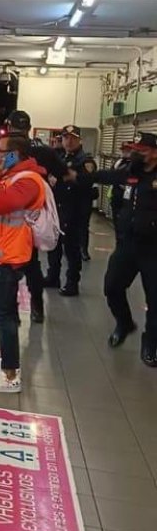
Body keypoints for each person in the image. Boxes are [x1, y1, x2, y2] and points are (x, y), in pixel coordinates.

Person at [0, 133, 47, 393]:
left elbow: (1, 203)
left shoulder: (28, 181)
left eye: (1, 151)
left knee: (1, 314)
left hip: (6, 257)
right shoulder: (11, 175)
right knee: (6, 312)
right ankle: (7, 360)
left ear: (15, 154)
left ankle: (9, 376)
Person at [0, 110, 68, 322]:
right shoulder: (43, 151)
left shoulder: (7, 151)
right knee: (32, 264)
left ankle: (8, 310)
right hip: (33, 219)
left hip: (8, 221)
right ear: (28, 127)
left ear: (9, 127)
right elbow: (66, 173)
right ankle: (37, 306)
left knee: (7, 267)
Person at [89, 132, 157, 365]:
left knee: (155, 299)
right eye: (134, 149)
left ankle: (151, 343)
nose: (136, 154)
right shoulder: (131, 172)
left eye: (142, 150)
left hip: (153, 249)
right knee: (112, 287)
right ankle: (124, 322)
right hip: (127, 244)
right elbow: (107, 176)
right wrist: (78, 175)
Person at [44, 124, 95, 296]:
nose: (68, 141)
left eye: (72, 138)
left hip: (74, 211)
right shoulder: (60, 156)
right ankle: (53, 276)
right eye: (65, 137)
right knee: (54, 245)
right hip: (57, 208)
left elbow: (86, 181)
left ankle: (72, 283)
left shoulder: (85, 160)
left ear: (79, 140)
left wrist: (64, 177)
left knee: (71, 249)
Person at [108, 142, 132, 241]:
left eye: (127, 150)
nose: (124, 152)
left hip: (128, 200)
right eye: (123, 150)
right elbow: (111, 175)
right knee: (118, 226)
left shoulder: (135, 164)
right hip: (117, 197)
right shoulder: (118, 163)